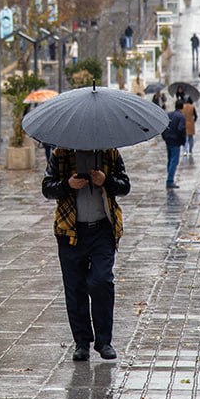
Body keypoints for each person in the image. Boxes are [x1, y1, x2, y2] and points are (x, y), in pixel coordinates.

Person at [42, 147, 131, 362]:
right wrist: (67, 185)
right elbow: (47, 188)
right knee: (75, 287)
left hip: (102, 230)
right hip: (70, 231)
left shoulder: (109, 153)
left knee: (101, 281)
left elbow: (125, 186)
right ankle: (82, 343)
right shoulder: (60, 155)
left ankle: (104, 341)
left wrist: (105, 180)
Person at [162, 100, 187, 189]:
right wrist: (183, 140)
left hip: (168, 139)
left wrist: (164, 136)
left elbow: (164, 126)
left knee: (170, 159)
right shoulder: (181, 117)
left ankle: (170, 176)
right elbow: (181, 129)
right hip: (175, 141)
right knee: (174, 161)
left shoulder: (169, 115)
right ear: (182, 107)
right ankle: (170, 180)